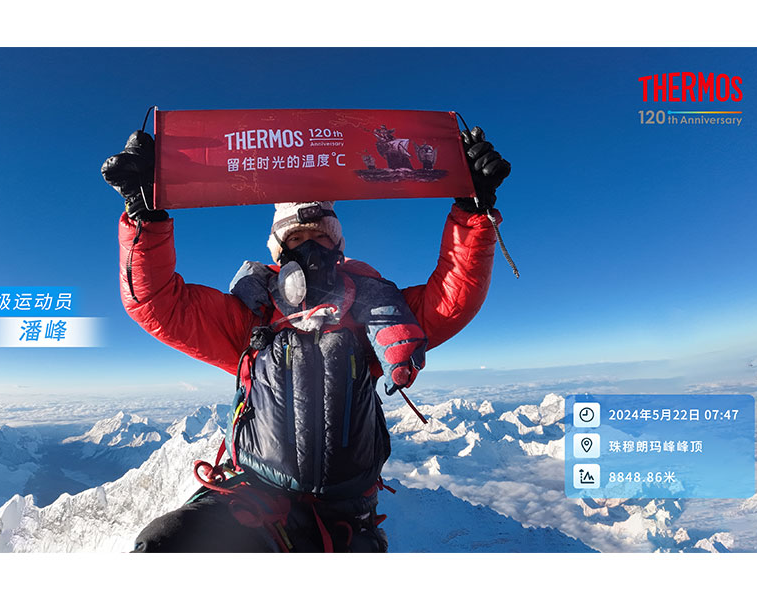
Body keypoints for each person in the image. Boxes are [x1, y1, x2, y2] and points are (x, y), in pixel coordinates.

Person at [101, 125, 511, 552]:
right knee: (166, 544)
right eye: (296, 238)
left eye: (319, 236)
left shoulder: (371, 316)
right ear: (280, 253)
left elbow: (451, 298)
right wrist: (145, 217)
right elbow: (157, 303)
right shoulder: (251, 317)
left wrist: (472, 211)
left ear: (338, 246)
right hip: (257, 499)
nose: (309, 247)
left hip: (346, 512)